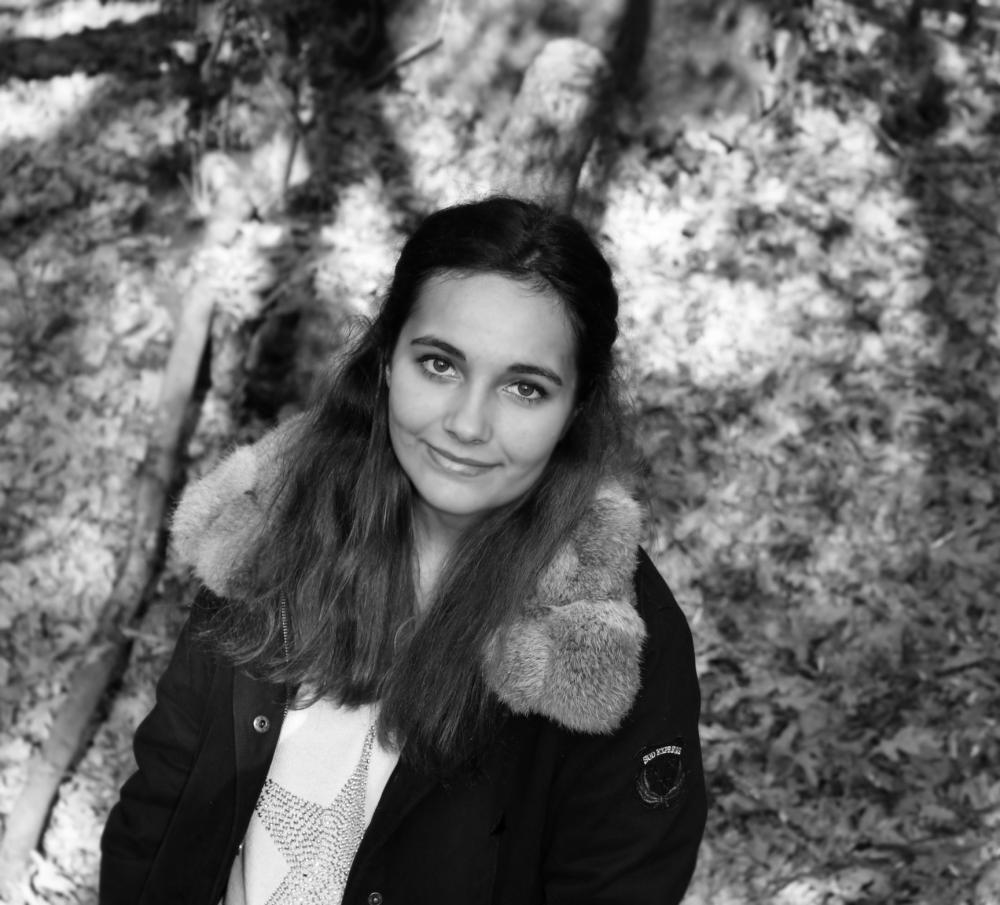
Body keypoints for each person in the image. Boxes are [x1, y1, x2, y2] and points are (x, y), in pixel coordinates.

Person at [100, 196, 706, 905]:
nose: (468, 424)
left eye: (524, 387)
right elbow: (164, 798)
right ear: (388, 358)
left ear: (575, 406)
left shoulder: (607, 635)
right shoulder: (273, 516)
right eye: (440, 365)